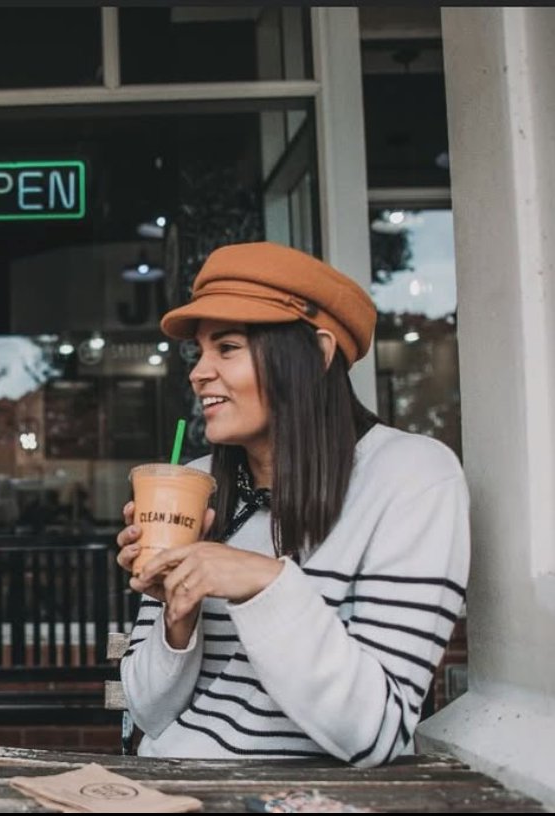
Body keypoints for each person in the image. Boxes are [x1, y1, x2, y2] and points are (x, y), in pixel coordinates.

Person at [117, 242, 469, 766]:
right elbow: (146, 712)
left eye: (228, 347)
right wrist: (178, 613)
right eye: (199, 351)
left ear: (319, 354)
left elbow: (376, 733)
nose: (198, 372)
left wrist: (264, 583)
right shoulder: (196, 486)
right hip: (168, 783)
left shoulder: (412, 478)